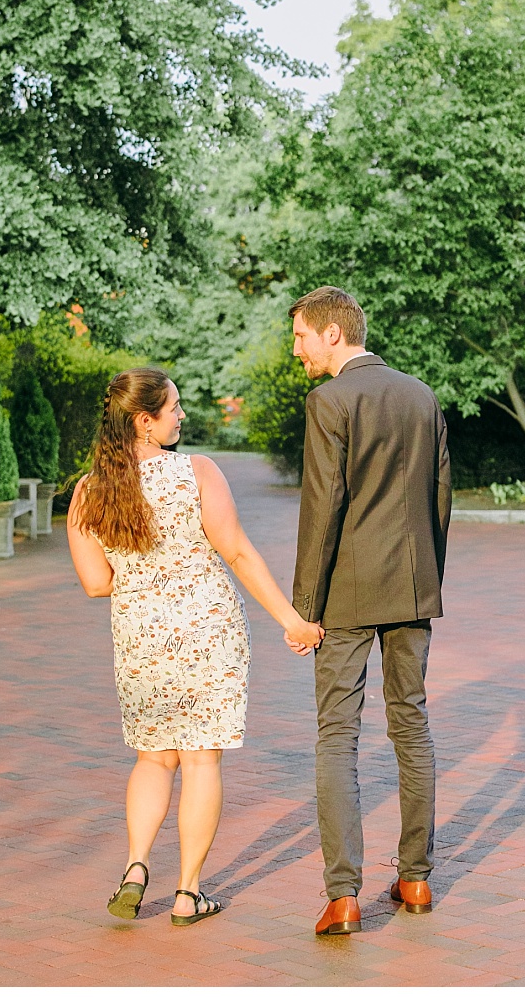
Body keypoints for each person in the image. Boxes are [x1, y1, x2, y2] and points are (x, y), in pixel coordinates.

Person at [67, 367, 324, 926]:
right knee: (200, 760)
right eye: (174, 408)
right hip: (208, 633)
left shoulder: (89, 492)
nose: (182, 415)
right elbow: (238, 553)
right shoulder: (197, 472)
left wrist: (139, 573)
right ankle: (187, 892)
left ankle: (136, 866)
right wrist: (293, 622)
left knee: (153, 759)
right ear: (144, 421)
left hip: (139, 639)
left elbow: (95, 582)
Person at [289, 286, 450, 936]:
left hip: (348, 593)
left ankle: (344, 894)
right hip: (412, 587)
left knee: (337, 734)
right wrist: (427, 577)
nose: (295, 347)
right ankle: (415, 876)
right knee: (410, 724)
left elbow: (322, 510)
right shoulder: (421, 395)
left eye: (300, 334)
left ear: (333, 333)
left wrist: (305, 607)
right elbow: (439, 497)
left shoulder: (329, 400)